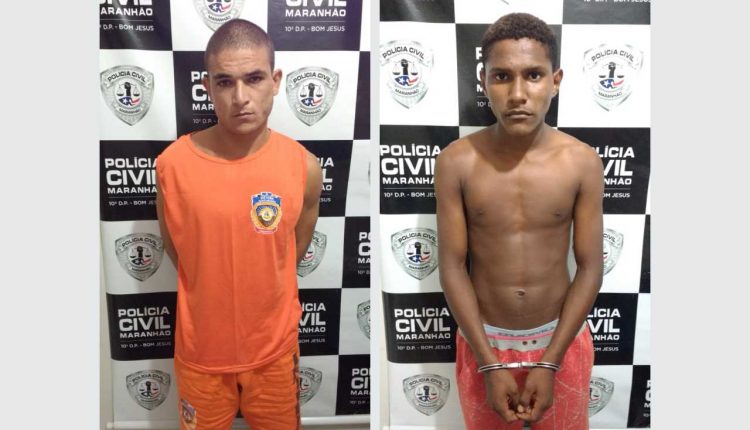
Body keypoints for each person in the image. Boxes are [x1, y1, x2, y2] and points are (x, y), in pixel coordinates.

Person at [434, 13, 604, 430]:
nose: (517, 94)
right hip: (483, 343)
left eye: (533, 75)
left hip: (561, 340)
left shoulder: (582, 162)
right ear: (483, 80)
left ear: (555, 80)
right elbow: (452, 266)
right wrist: (489, 364)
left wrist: (551, 362)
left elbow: (590, 267)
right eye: (502, 77)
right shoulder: (456, 161)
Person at [155, 19, 322, 430]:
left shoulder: (304, 166)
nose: (241, 97)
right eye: (225, 82)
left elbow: (292, 249)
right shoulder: (172, 166)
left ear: (275, 81)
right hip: (202, 353)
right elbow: (180, 252)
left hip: (274, 353)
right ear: (207, 87)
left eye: (254, 78)